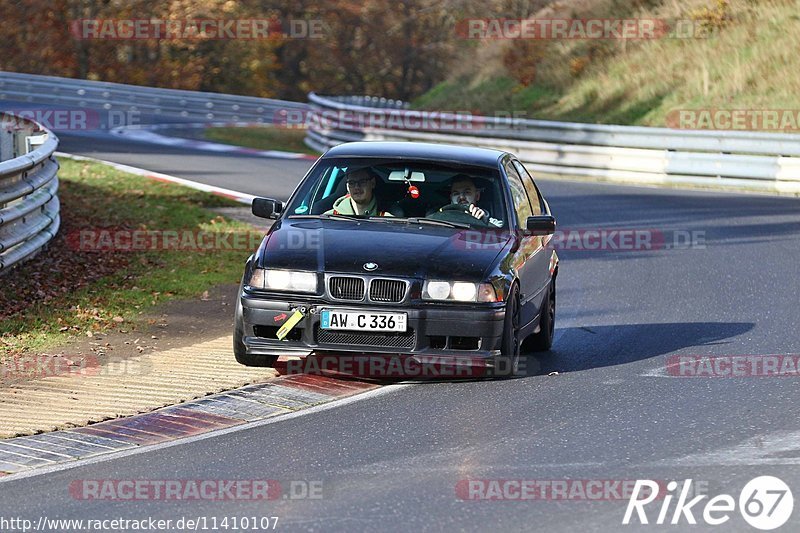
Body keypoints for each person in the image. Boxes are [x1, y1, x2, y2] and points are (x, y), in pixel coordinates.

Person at [431, 175, 503, 227]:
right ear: (451, 198)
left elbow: (503, 232)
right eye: (456, 193)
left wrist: (484, 219)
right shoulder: (437, 218)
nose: (461, 197)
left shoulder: (487, 220)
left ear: (477, 196)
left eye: (467, 192)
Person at [325, 168, 392, 216]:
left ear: (372, 183)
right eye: (352, 183)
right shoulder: (329, 218)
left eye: (362, 182)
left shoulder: (387, 220)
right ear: (347, 187)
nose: (357, 187)